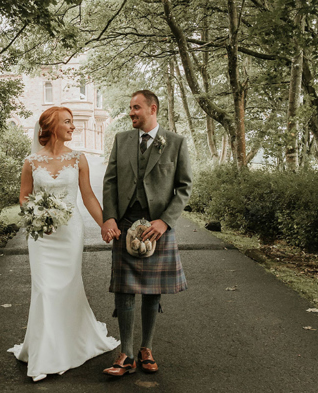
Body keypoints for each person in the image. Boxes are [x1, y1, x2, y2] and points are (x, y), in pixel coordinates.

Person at [8, 106, 120, 382]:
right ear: (51, 126)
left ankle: (69, 343)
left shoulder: (78, 159)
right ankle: (45, 353)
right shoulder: (31, 161)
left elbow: (89, 197)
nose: (73, 127)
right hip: (42, 238)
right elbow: (24, 197)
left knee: (68, 287)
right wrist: (36, 215)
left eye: (72, 122)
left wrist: (106, 223)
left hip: (69, 234)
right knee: (45, 290)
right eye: (67, 122)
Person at [101, 90, 192, 376]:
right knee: (124, 289)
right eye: (130, 107)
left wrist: (165, 221)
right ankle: (126, 354)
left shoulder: (175, 143)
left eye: (136, 108)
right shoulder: (121, 140)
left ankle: (146, 348)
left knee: (153, 290)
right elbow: (111, 182)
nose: (131, 112)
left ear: (152, 109)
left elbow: (184, 188)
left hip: (157, 226)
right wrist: (110, 218)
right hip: (126, 223)